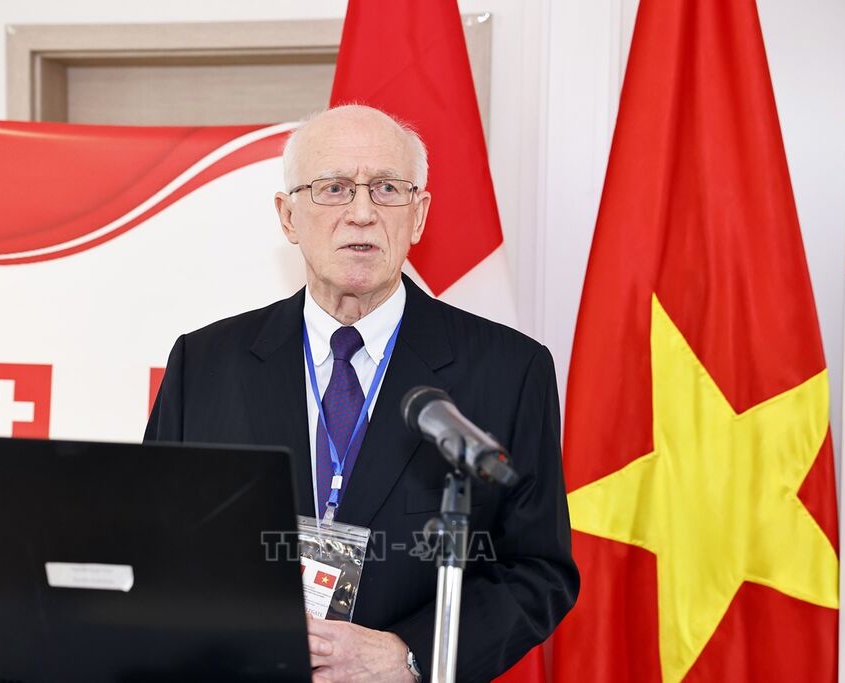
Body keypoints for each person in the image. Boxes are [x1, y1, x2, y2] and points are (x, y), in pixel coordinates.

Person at [145, 105, 579, 682]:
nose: (362, 213)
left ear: (418, 215)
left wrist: (407, 656)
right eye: (333, 188)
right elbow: (156, 547)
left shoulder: (509, 370)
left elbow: (537, 570)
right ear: (288, 217)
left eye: (387, 188)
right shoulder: (204, 364)